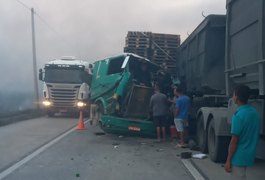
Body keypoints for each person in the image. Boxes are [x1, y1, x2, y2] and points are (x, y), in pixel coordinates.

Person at [225, 85, 260, 180]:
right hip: (249, 154)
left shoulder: (238, 115)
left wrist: (228, 160)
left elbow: (234, 141)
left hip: (238, 156)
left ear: (236, 97)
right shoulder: (254, 113)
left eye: (233, 95)